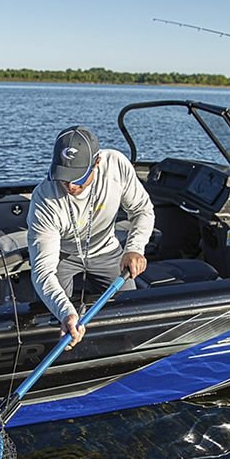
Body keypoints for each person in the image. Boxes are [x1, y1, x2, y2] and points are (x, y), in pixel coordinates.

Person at [27, 126, 154, 349]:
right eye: (64, 178)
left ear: (96, 164)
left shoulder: (115, 165)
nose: (70, 186)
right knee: (52, 319)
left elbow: (143, 210)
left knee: (132, 313)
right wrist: (66, 313)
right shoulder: (44, 199)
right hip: (63, 255)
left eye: (78, 178)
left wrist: (134, 248)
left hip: (106, 250)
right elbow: (43, 272)